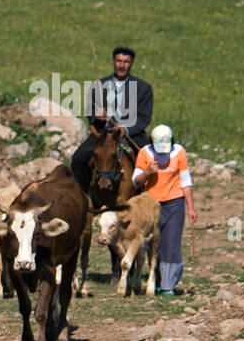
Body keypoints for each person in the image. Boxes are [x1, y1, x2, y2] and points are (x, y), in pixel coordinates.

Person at [71, 46, 154, 193]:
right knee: (78, 159)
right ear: (113, 62)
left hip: (131, 134)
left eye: (126, 62)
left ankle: (142, 197)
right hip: (103, 134)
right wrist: (97, 116)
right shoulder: (98, 85)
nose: (122, 65)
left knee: (149, 161)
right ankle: (85, 198)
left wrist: (125, 128)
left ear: (131, 64)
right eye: (119, 61)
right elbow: (90, 112)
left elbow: (144, 118)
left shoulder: (143, 88)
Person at [132, 124, 195, 296]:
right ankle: (158, 279)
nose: (162, 152)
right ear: (152, 142)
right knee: (153, 245)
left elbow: (185, 180)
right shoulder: (145, 153)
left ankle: (168, 286)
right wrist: (148, 173)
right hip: (151, 205)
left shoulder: (179, 152)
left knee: (171, 245)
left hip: (175, 202)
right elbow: (136, 181)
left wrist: (190, 207)